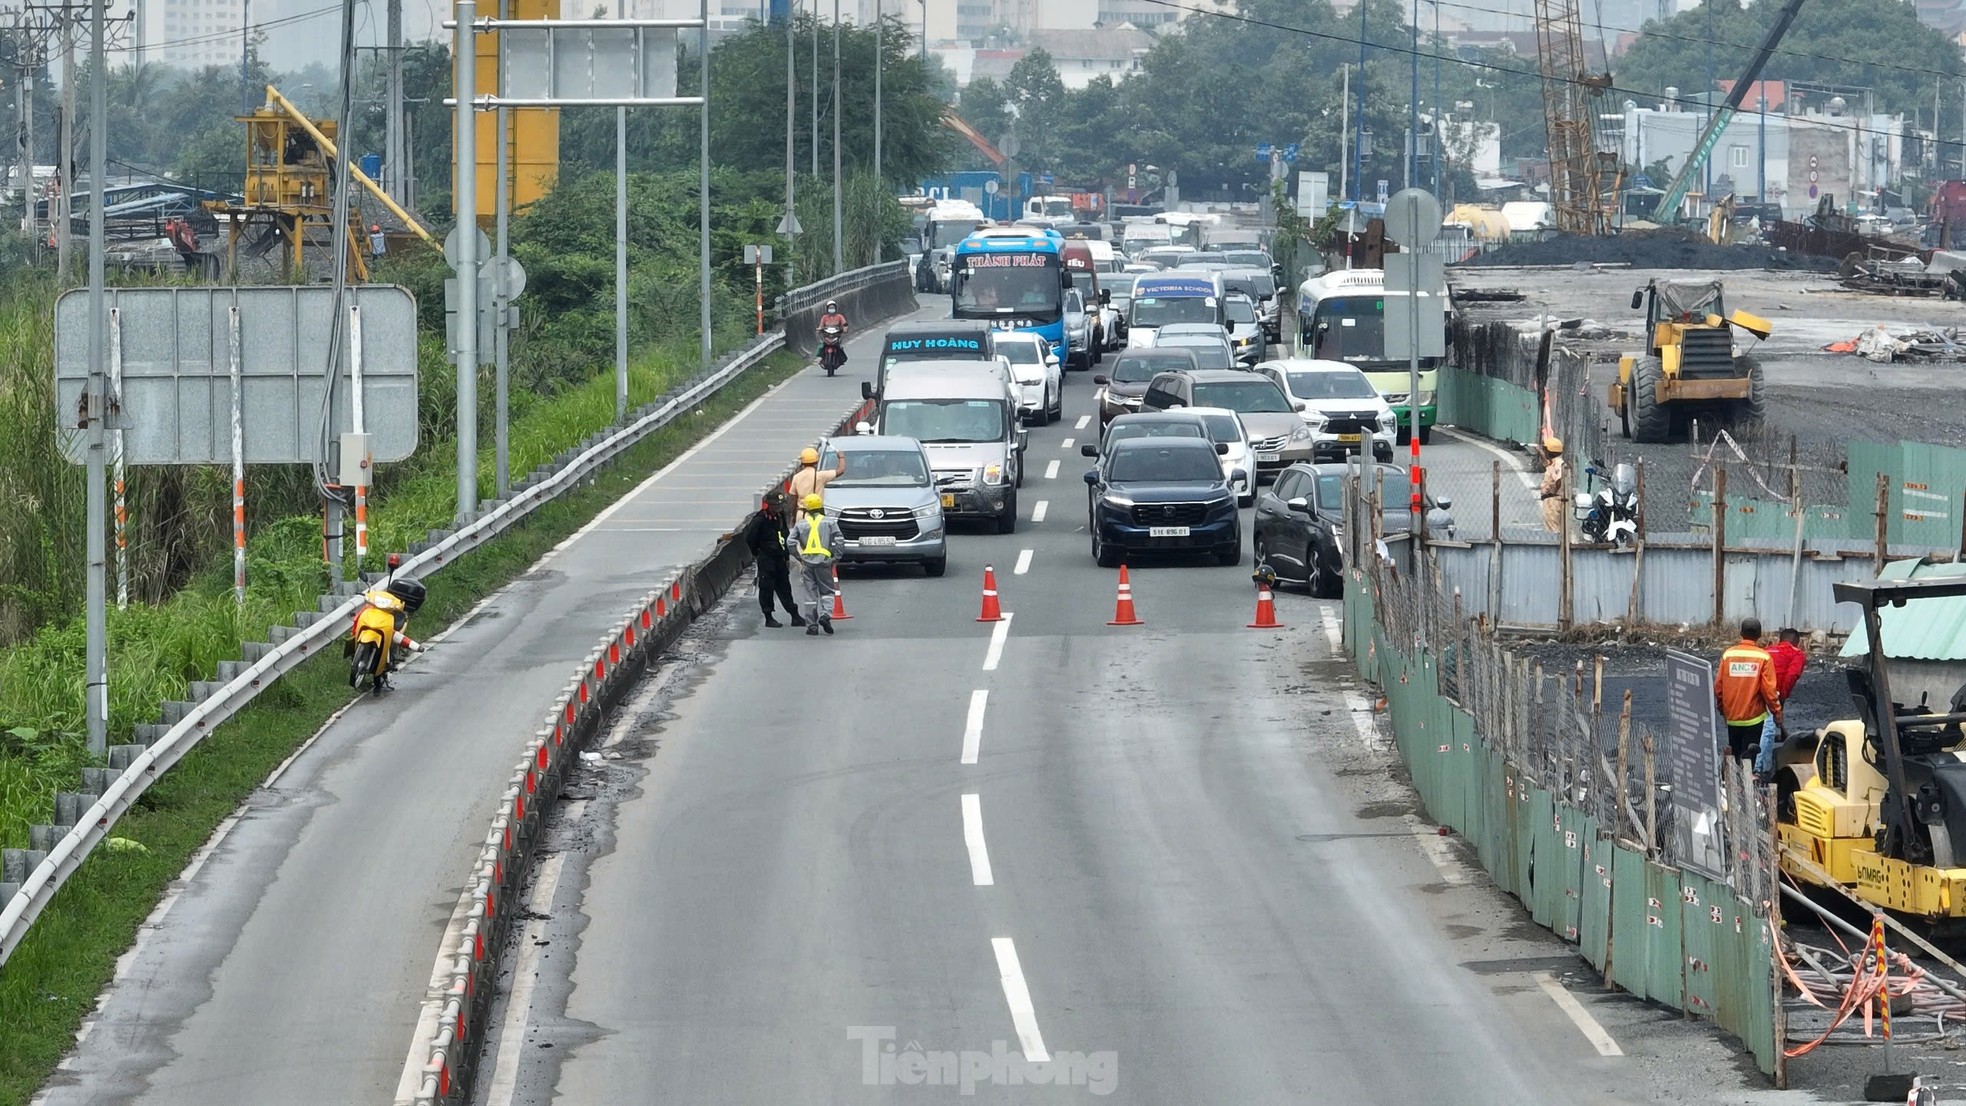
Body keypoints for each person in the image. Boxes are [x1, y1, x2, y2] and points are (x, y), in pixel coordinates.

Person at [1715, 617, 1783, 768]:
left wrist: (1723, 710)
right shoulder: (1764, 657)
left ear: (1741, 633)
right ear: (1759, 634)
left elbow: (1718, 686)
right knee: (1748, 758)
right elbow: (1769, 691)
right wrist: (1777, 713)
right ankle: (1744, 786)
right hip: (1754, 717)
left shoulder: (1728, 655)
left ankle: (1731, 784)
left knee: (1734, 753)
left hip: (1732, 716)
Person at [744, 490, 803, 628]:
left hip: (780, 558)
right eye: (775, 505)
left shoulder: (780, 517)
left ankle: (794, 614)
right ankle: (768, 616)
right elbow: (750, 539)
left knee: (785, 586)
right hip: (766, 558)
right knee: (767, 588)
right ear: (769, 505)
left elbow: (785, 536)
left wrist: (786, 556)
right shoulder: (760, 519)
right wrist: (758, 553)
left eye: (780, 505)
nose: (778, 507)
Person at [789, 493, 844, 635]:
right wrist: (836, 557)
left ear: (807, 509)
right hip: (824, 561)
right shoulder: (829, 522)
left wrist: (798, 557)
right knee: (827, 591)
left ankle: (812, 626)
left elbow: (790, 542)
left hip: (807, 562)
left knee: (810, 594)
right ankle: (825, 615)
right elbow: (839, 539)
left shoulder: (801, 524)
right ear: (820, 507)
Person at [1756, 628, 1807, 778]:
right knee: (1768, 729)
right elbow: (1792, 675)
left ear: (1780, 640)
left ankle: (1745, 761)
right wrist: (1782, 696)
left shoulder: (1765, 651)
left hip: (1753, 690)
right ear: (1796, 642)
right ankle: (1760, 769)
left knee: (1753, 727)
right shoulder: (1796, 654)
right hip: (1772, 692)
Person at [1538, 437, 1568, 533]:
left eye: (1545, 449)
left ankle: (1555, 544)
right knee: (1551, 525)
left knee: (1553, 527)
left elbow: (1559, 479)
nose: (1545, 451)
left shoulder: (1558, 463)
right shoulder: (1553, 462)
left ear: (1550, 451)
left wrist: (1553, 491)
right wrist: (1540, 452)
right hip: (1551, 499)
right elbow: (1546, 464)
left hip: (1553, 500)